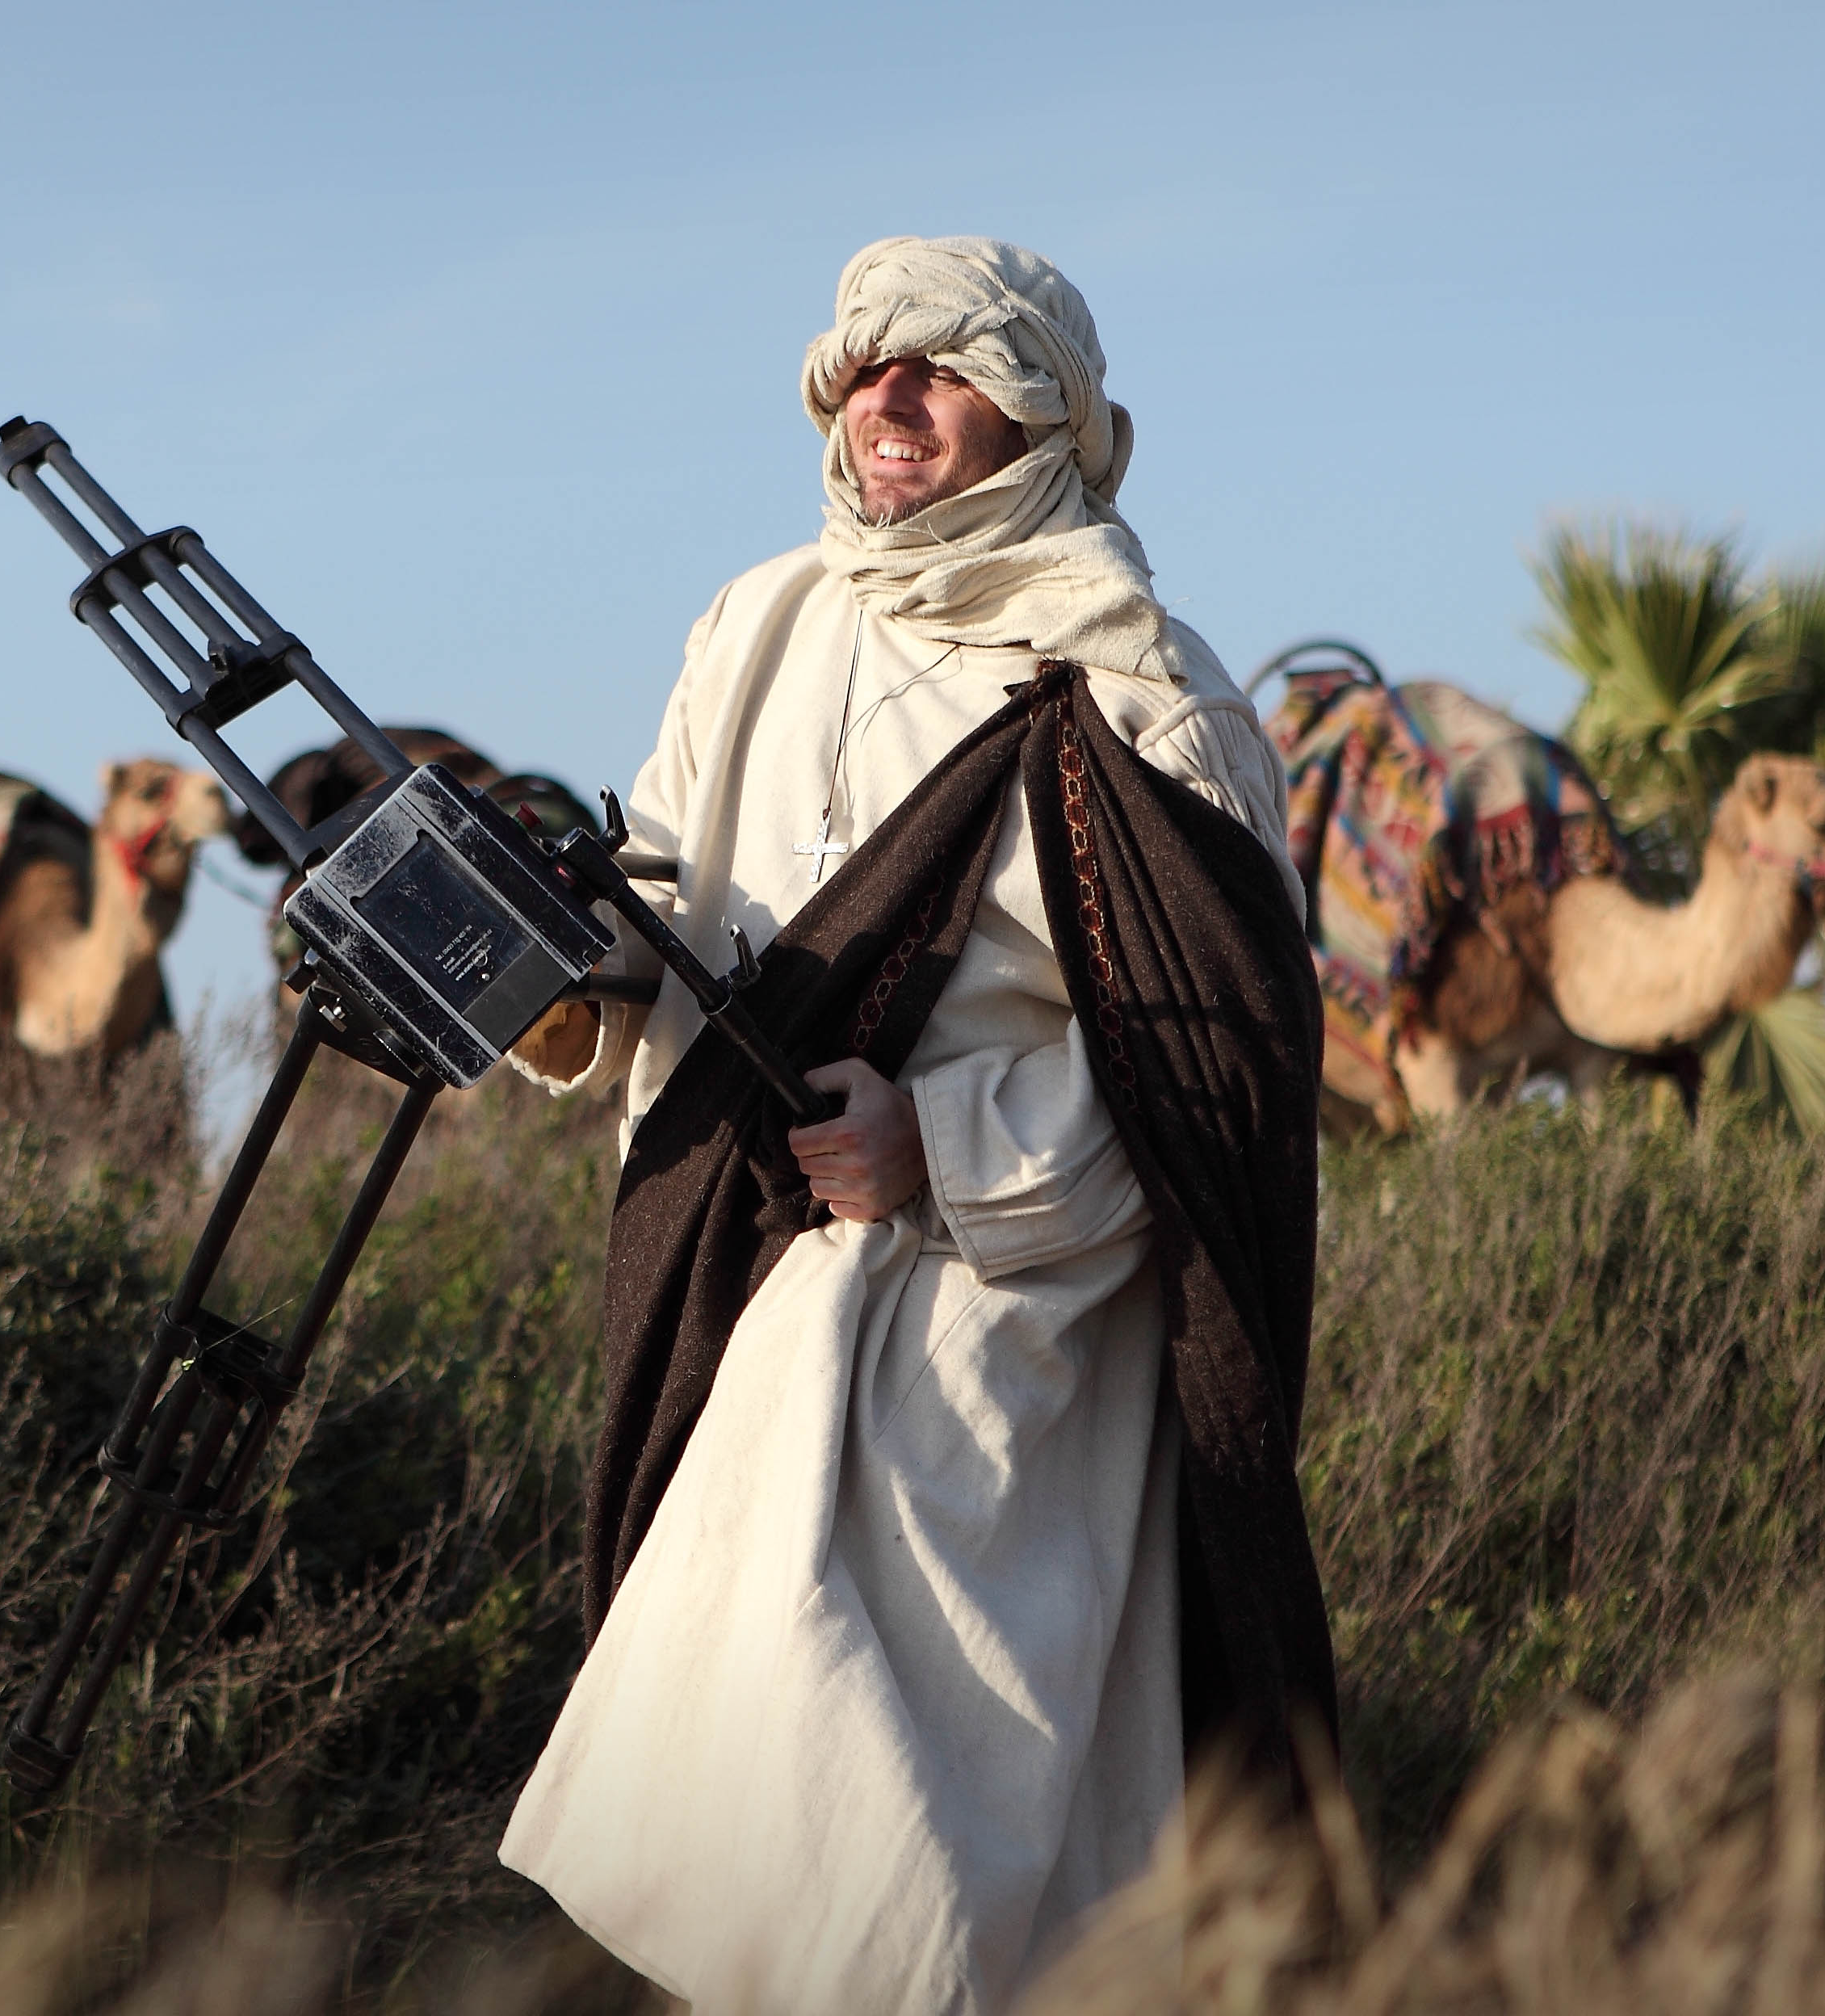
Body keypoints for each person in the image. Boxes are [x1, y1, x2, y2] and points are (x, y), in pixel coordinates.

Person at [494, 237, 1333, 2014]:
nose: (888, 395)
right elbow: (670, 887)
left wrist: (942, 1142)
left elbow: (1225, 1073)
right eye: (866, 361)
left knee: (921, 1879)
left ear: (1043, 418)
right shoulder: (760, 621)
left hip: (1004, 1345)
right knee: (750, 1849)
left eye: (945, 366)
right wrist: (555, 977)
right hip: (756, 1297)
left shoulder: (1143, 693)